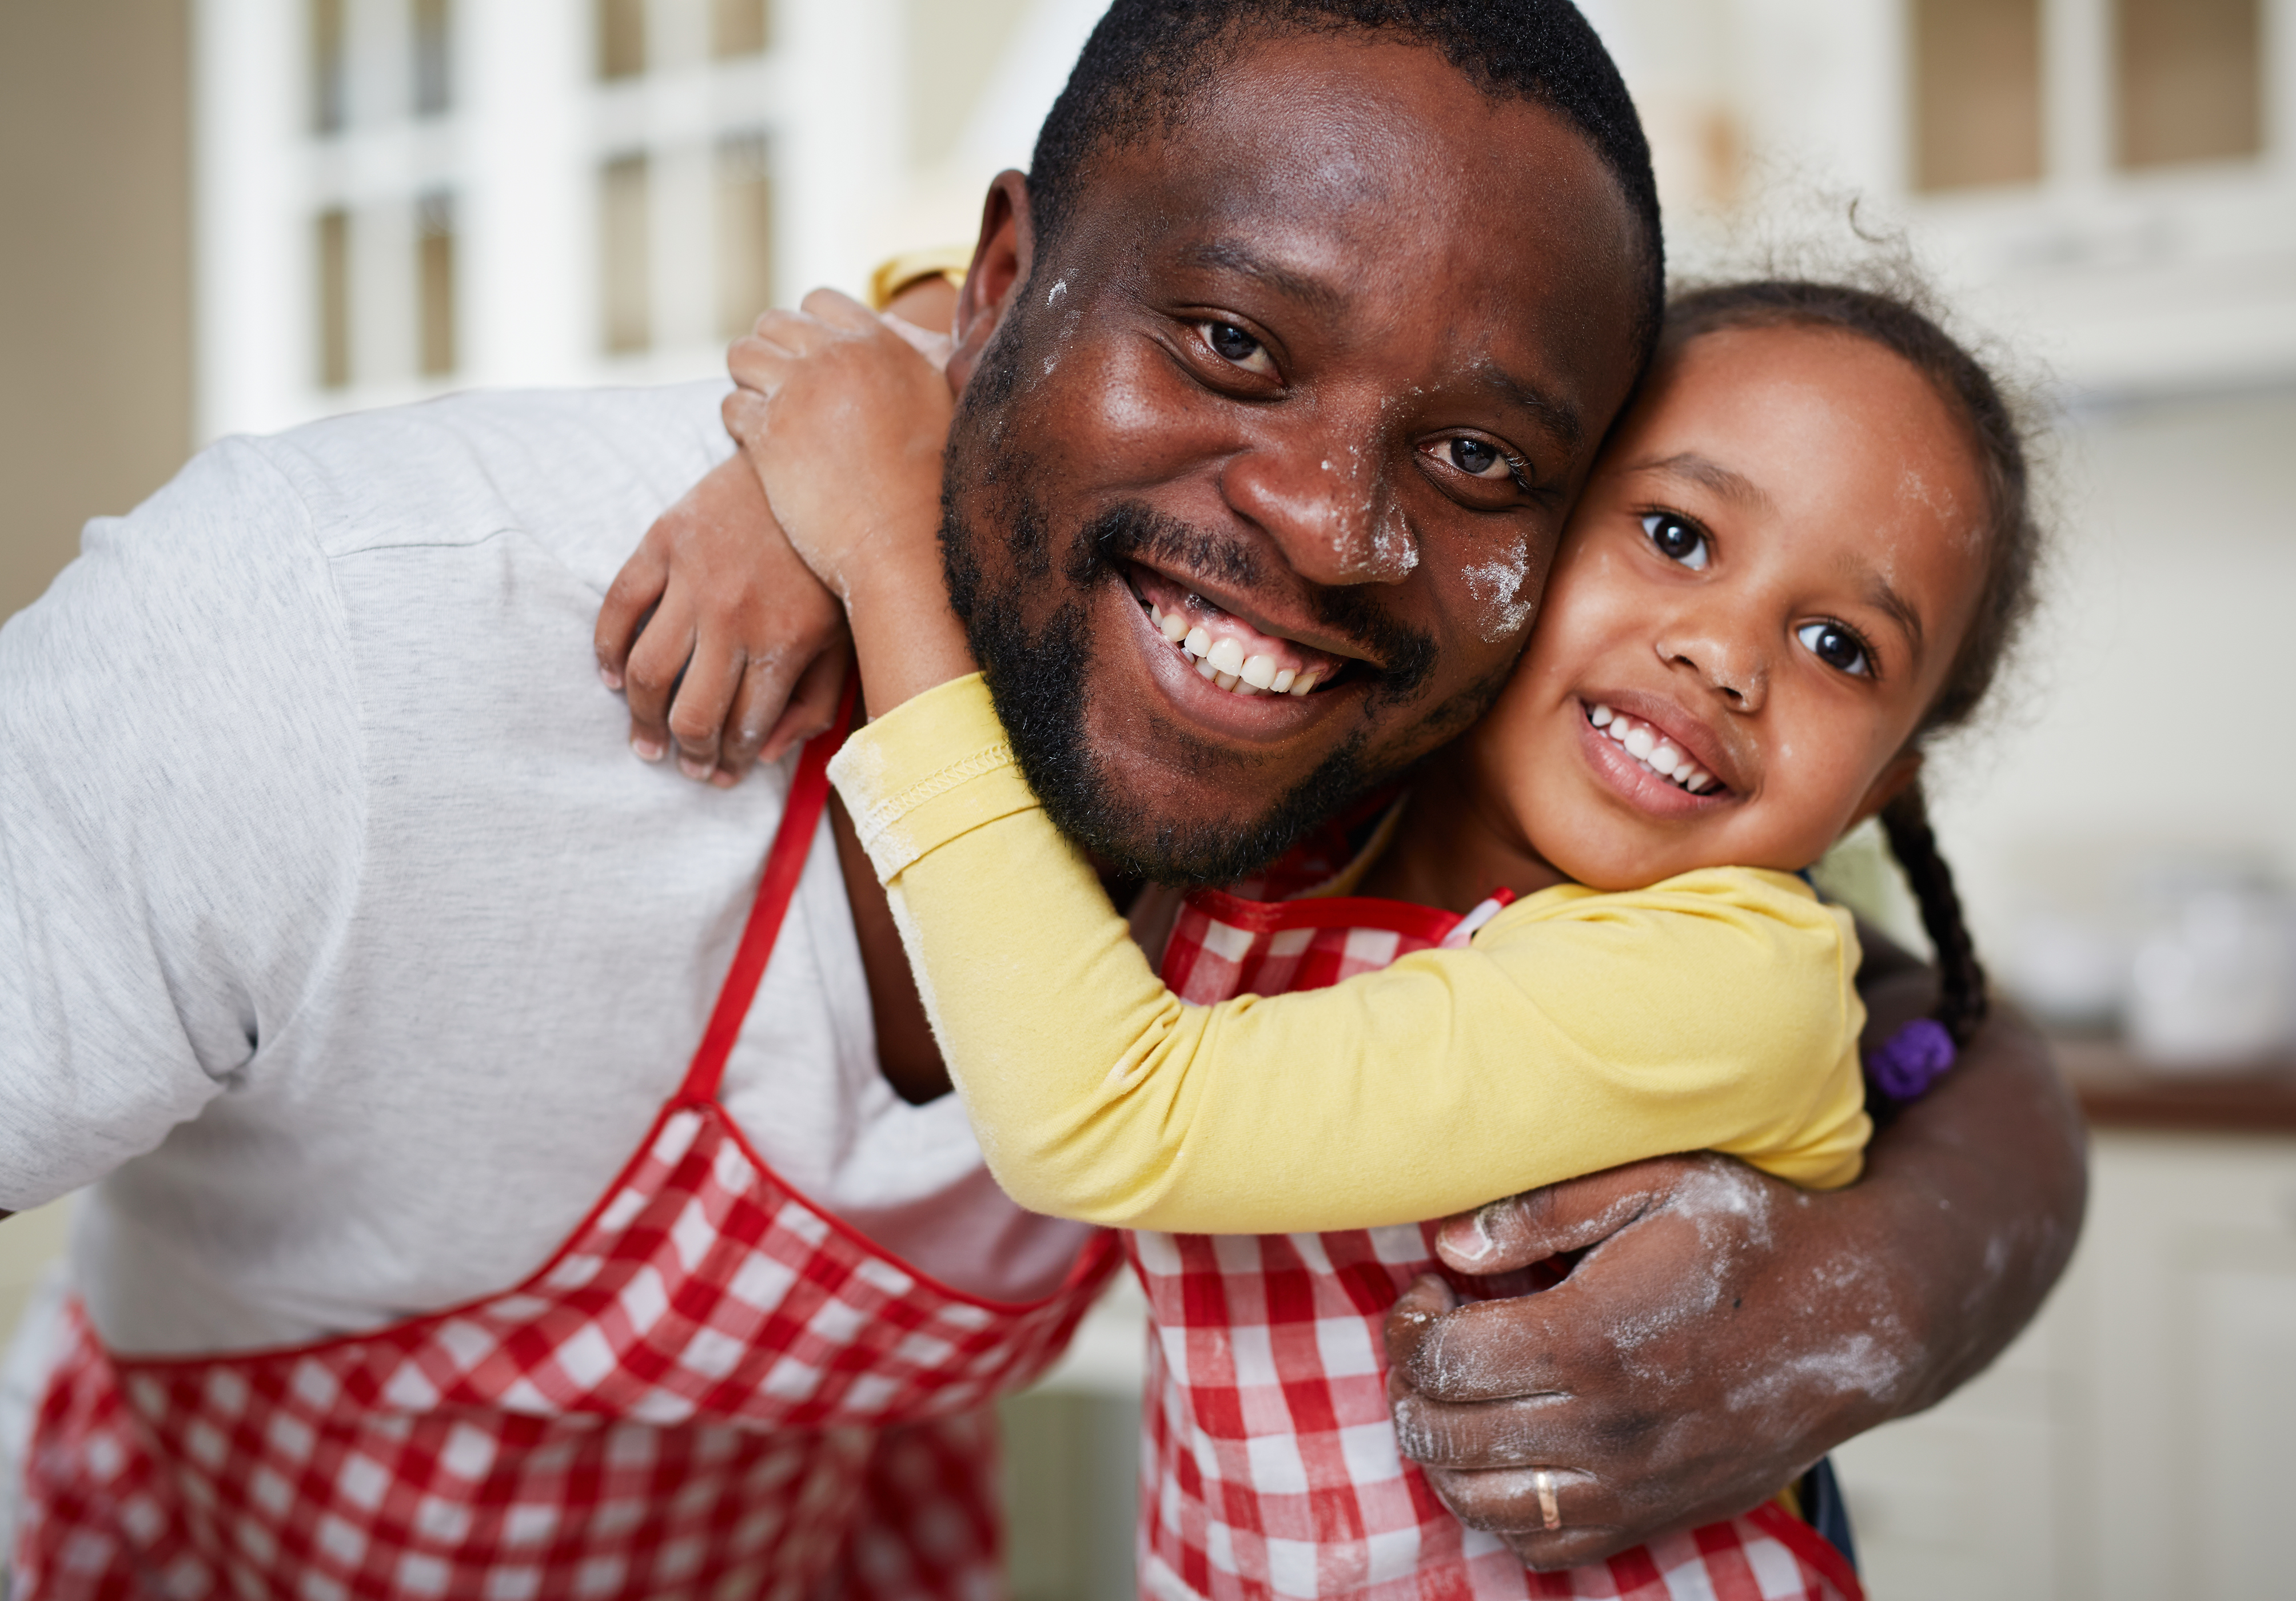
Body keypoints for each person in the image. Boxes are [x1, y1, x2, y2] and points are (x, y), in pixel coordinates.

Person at [0, 3, 2082, 1595]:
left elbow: (1916, 1027)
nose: (1332, 526)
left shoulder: (1372, 752)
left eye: (1477, 463)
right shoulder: (340, 635)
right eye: (1230, 341)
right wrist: (855, 460)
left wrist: (1868, 1296)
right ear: (1002, 293)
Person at [597, 258, 2041, 1597]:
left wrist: (876, 544)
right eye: (1676, 534)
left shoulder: (1732, 982)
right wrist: (833, 422)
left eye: (1842, 646)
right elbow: (1078, 269)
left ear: (1884, 782)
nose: (1725, 654)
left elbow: (1108, 1114)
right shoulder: (1336, 793)